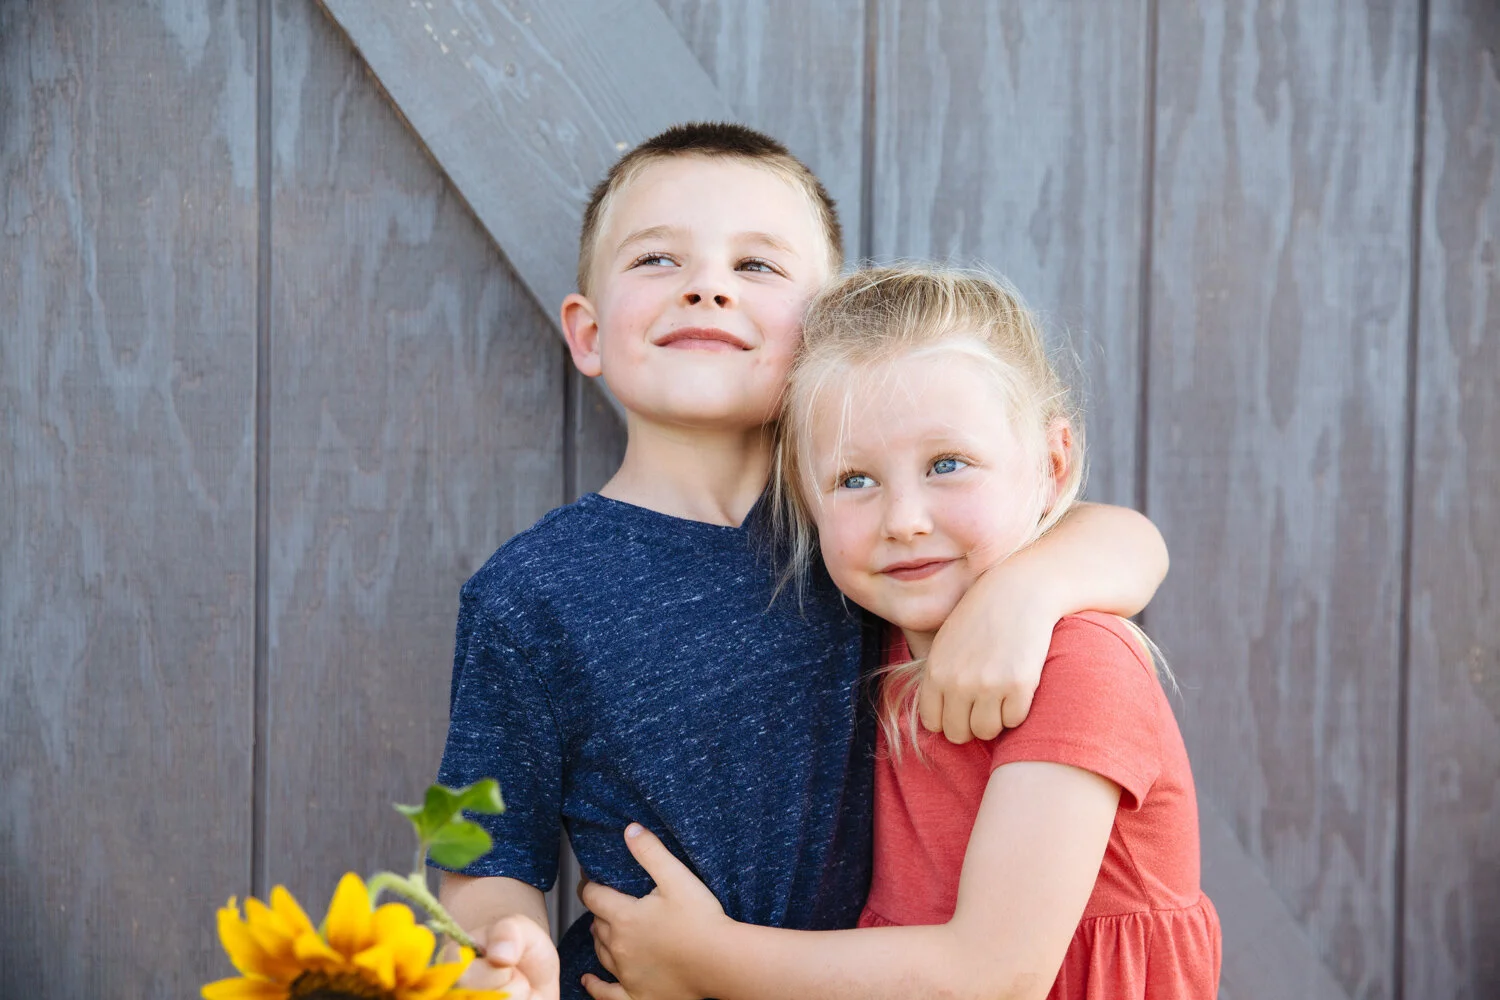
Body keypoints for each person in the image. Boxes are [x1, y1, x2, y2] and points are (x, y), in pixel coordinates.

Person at [433, 127, 1172, 999]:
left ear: (823, 332)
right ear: (588, 333)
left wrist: (1028, 590)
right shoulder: (529, 593)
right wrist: (501, 949)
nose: (707, 287)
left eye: (756, 265)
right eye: (658, 259)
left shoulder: (870, 536)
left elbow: (1122, 540)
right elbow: (480, 854)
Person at [580, 265, 1221, 1000]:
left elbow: (993, 977)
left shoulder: (1078, 664)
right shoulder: (859, 634)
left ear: (1053, 465)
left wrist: (708, 960)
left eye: (948, 465)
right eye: (855, 480)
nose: (905, 520)